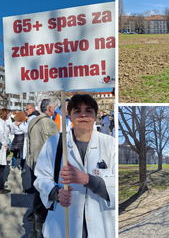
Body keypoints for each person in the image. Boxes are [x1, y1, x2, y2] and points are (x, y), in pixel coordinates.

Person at [34, 94, 115, 238]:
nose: (83, 114)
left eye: (89, 111)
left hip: (102, 227)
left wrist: (87, 179)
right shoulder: (55, 143)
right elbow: (41, 178)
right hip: (62, 227)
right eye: (77, 111)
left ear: (95, 116)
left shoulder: (111, 145)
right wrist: (55, 193)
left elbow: (118, 186)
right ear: (69, 117)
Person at [25, 99, 59, 194]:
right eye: (53, 107)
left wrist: (29, 158)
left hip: (33, 158)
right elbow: (55, 146)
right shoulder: (51, 123)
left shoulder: (32, 120)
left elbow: (28, 141)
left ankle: (36, 207)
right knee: (44, 190)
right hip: (45, 161)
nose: (54, 109)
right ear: (49, 108)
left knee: (36, 186)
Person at [0, 108, 11, 194]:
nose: (10, 115)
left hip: (2, 147)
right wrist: (5, 144)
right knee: (1, 168)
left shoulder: (3, 122)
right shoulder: (1, 122)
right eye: (8, 114)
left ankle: (1, 185)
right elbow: (1, 135)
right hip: (2, 148)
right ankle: (0, 187)